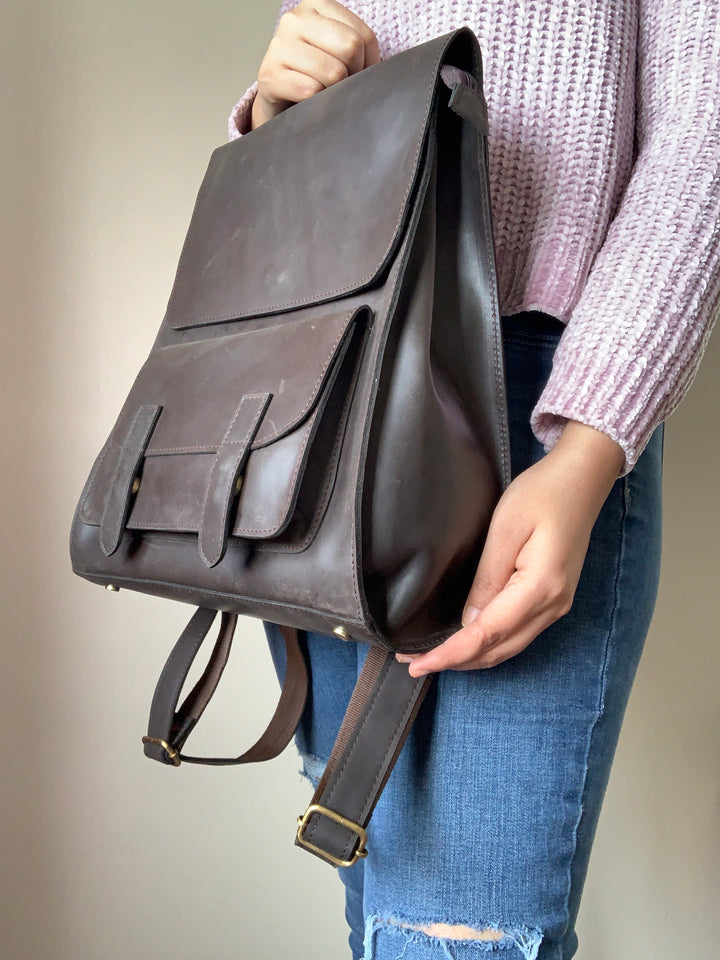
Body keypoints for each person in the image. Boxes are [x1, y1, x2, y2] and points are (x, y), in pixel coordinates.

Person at [228, 2, 720, 958]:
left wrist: (586, 445)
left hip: (539, 400)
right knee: (376, 906)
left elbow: (703, 133)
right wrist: (276, 109)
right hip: (330, 399)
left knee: (452, 939)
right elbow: (305, 168)